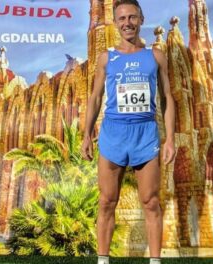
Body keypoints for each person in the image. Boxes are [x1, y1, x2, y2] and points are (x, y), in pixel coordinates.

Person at [81, 1, 176, 264]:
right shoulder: (106, 58)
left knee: (151, 202)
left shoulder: (155, 56)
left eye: (132, 17)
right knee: (106, 202)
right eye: (122, 18)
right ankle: (103, 260)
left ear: (141, 18)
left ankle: (155, 261)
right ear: (115, 22)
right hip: (113, 134)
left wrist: (171, 138)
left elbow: (168, 97)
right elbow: (95, 97)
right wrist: (86, 134)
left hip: (145, 134)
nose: (127, 23)